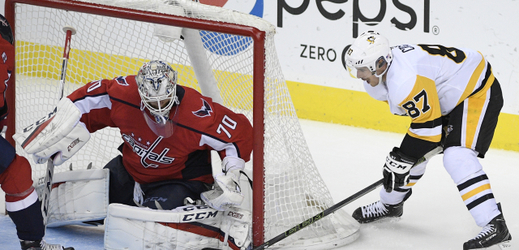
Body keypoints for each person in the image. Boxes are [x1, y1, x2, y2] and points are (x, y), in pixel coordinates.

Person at [14, 59, 253, 214]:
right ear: (140, 93)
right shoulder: (124, 96)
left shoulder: (197, 113)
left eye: (163, 100)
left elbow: (238, 133)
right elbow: (91, 102)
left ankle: (190, 204)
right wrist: (67, 122)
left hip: (178, 180)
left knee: (144, 224)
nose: (158, 106)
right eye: (151, 101)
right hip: (130, 171)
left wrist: (232, 173)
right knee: (69, 208)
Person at [344, 30, 512, 249]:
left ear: (381, 64)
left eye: (363, 69)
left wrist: (403, 157)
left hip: (476, 91)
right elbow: (425, 125)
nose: (358, 75)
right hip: (446, 96)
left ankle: (495, 224)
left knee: (456, 156)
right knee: (407, 159)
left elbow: (428, 132)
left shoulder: (405, 79)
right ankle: (390, 205)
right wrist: (404, 158)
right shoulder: (382, 77)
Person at [0, 14, 74, 250]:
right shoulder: (4, 48)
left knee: (15, 171)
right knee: (15, 172)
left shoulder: (4, 50)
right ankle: (32, 242)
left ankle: (33, 243)